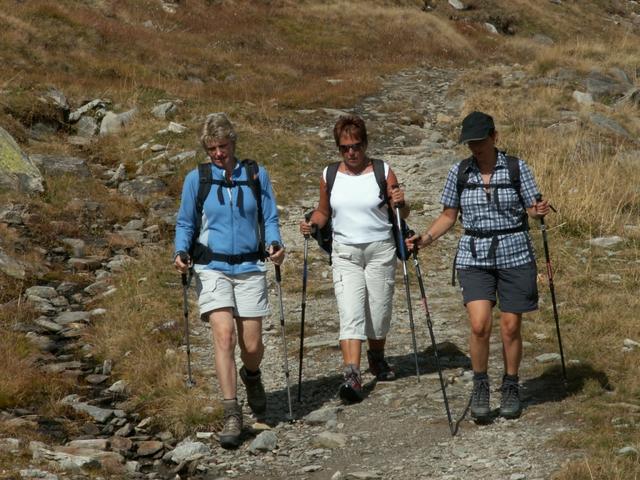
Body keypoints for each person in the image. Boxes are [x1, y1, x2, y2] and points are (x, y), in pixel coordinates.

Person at [406, 111, 550, 421]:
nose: (475, 148)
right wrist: (424, 240)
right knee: (479, 324)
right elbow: (448, 215)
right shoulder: (459, 172)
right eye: (470, 143)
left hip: (515, 254)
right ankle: (480, 384)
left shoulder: (517, 168)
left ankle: (511, 385)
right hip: (474, 257)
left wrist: (538, 210)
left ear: (494, 137)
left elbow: (532, 208)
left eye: (480, 141)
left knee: (510, 326)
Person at [174, 113, 285, 448]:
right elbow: (185, 222)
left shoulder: (255, 174)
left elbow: (269, 216)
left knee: (251, 346)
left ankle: (251, 375)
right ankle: (231, 413)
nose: (218, 154)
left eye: (222, 146)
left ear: (233, 143)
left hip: (250, 266)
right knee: (224, 337)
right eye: (212, 149)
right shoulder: (196, 179)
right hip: (212, 268)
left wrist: (275, 244)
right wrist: (181, 251)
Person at [300, 114, 409, 404]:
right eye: (345, 148)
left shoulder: (383, 171)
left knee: (379, 312)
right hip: (345, 252)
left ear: (365, 144)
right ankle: (352, 374)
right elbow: (324, 211)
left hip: (380, 250)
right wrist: (313, 223)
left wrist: (401, 202)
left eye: (356, 146)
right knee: (350, 312)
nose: (351, 153)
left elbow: (401, 212)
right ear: (338, 148)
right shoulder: (330, 175)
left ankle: (377, 357)